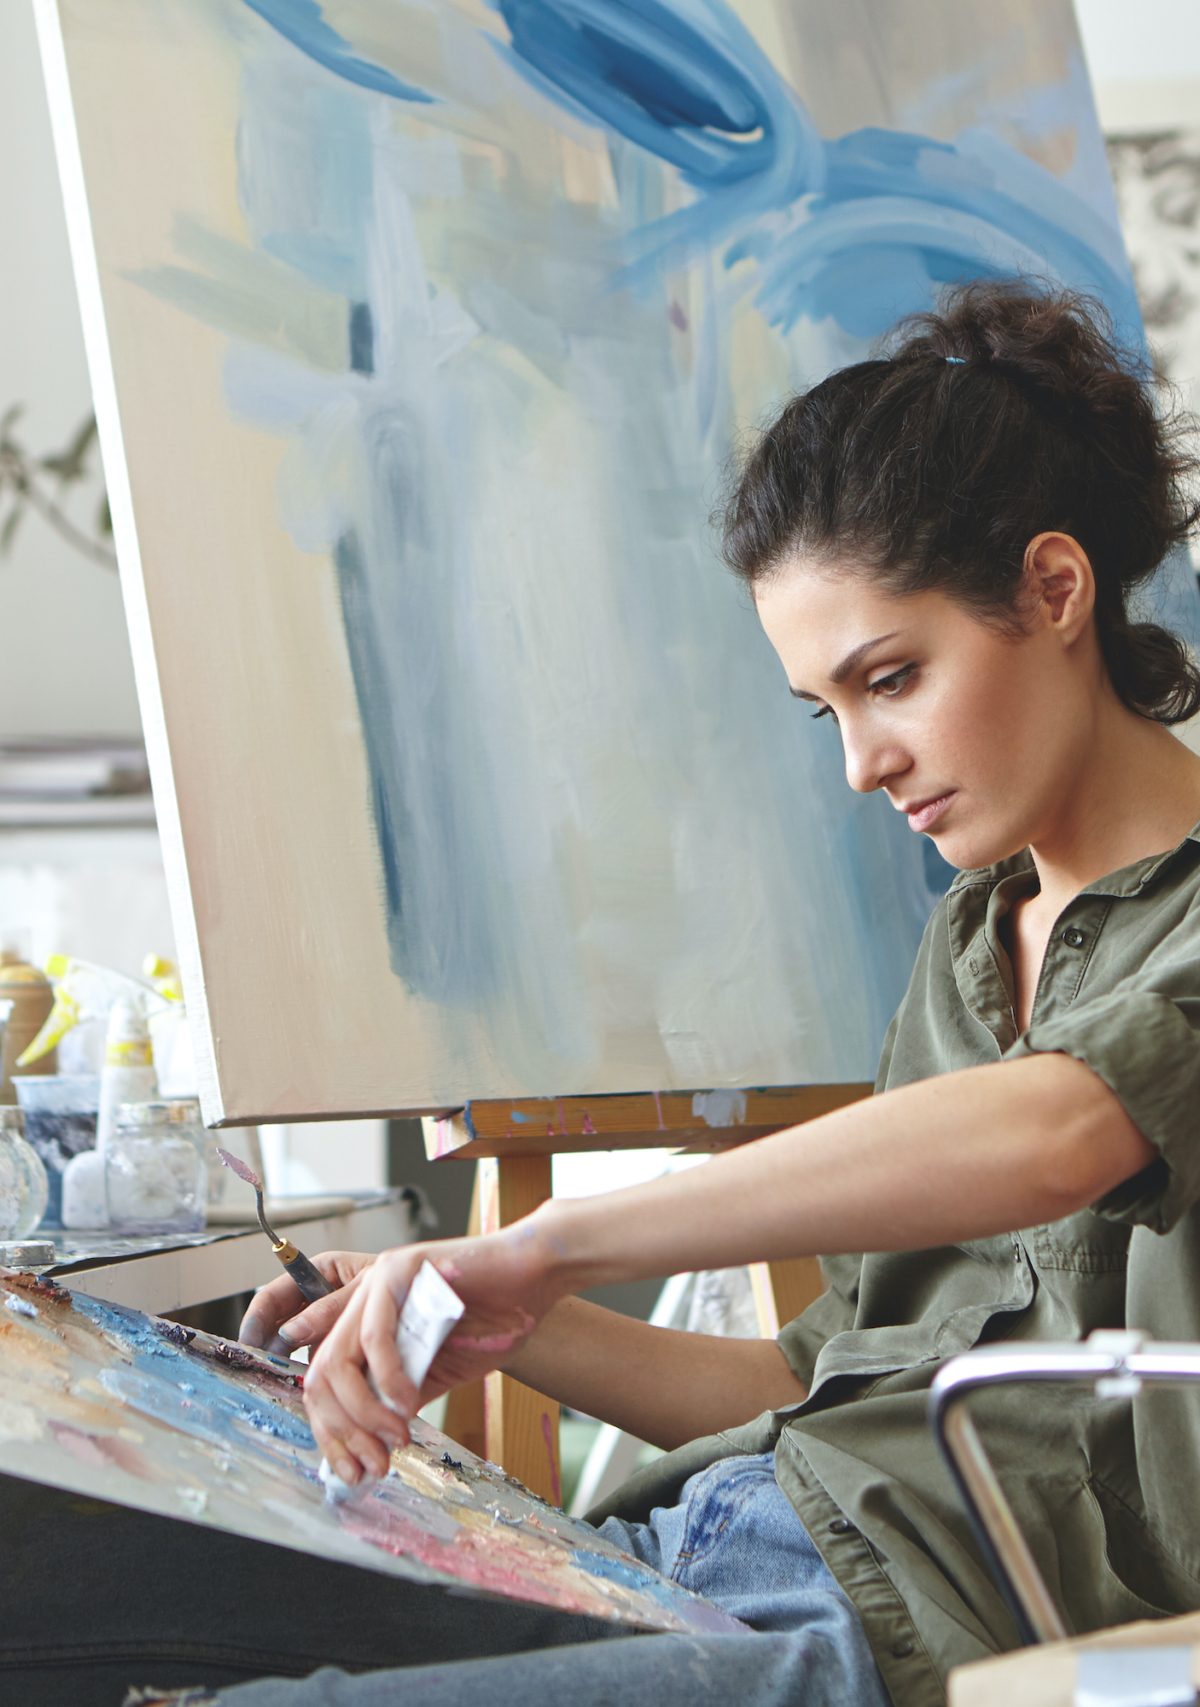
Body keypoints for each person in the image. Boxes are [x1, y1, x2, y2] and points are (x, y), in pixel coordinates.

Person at [7, 277, 1200, 1707]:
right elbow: (810, 1385)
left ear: (1054, 591)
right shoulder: (968, 944)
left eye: (893, 678)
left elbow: (1061, 1132)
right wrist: (518, 1325)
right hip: (714, 1543)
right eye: (829, 708)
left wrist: (551, 1242)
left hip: (900, 1631)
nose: (860, 764)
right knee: (52, 1592)